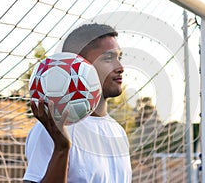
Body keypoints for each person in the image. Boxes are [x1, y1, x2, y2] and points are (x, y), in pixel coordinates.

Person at [23, 23, 132, 183]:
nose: (120, 67)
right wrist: (62, 149)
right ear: (80, 66)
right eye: (108, 58)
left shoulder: (118, 132)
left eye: (119, 58)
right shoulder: (53, 127)